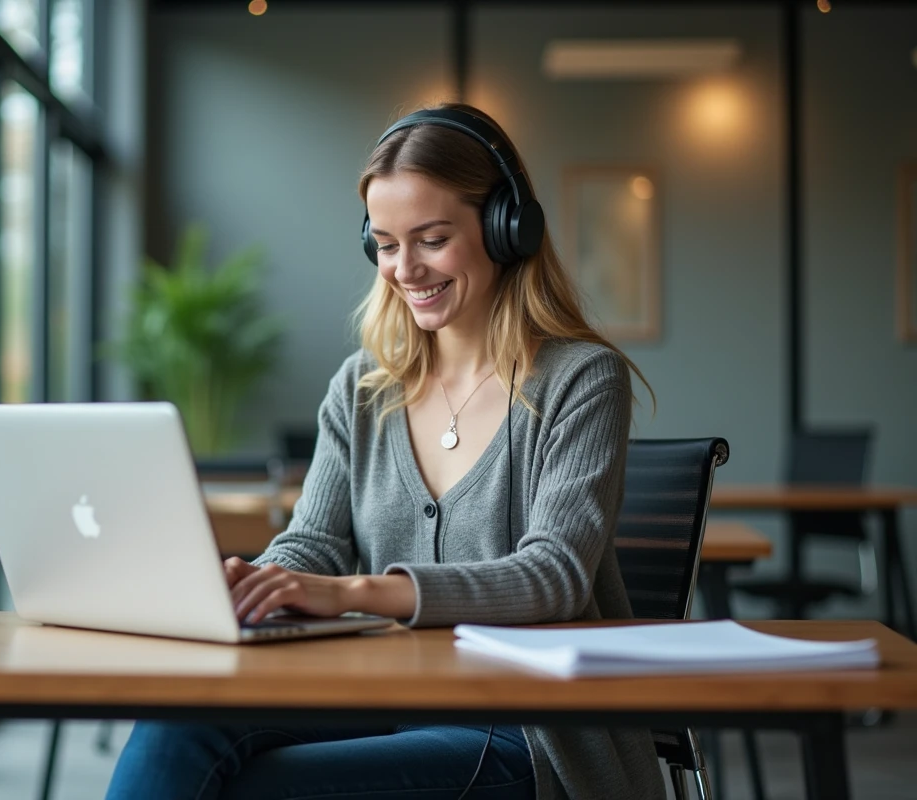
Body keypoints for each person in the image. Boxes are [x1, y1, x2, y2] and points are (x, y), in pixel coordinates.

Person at [106, 102, 665, 800]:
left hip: (528, 728)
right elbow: (313, 542)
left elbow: (554, 576)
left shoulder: (581, 379)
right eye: (387, 243)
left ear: (506, 229)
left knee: (260, 788)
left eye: (432, 238)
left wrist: (354, 593)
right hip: (385, 697)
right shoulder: (363, 388)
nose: (406, 269)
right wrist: (260, 586)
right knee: (175, 729)